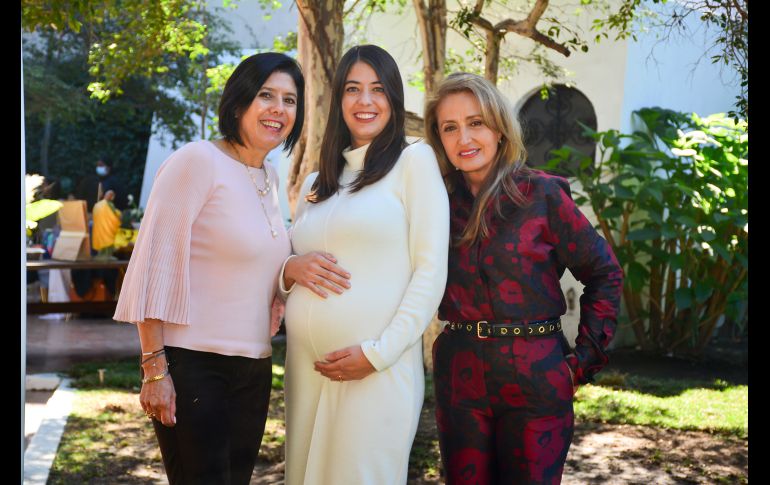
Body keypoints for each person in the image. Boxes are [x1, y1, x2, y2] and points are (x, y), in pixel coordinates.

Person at [112, 52, 305, 484]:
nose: (279, 109)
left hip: (254, 367)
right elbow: (153, 267)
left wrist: (280, 289)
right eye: (266, 95)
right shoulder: (197, 161)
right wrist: (155, 370)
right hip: (194, 365)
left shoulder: (269, 178)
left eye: (290, 100)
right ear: (239, 102)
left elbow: (253, 261)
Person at [423, 72, 624, 484]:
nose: (465, 138)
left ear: (499, 127)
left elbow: (604, 273)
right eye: (450, 127)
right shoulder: (433, 201)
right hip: (460, 373)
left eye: (475, 122)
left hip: (537, 376)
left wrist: (581, 363)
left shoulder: (542, 196)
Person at [278, 44, 450, 485]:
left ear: (394, 98)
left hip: (376, 370)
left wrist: (377, 354)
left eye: (378, 89)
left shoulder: (415, 161)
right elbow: (286, 267)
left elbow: (430, 273)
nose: (365, 101)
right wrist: (289, 270)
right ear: (338, 100)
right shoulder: (318, 182)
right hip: (305, 369)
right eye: (353, 89)